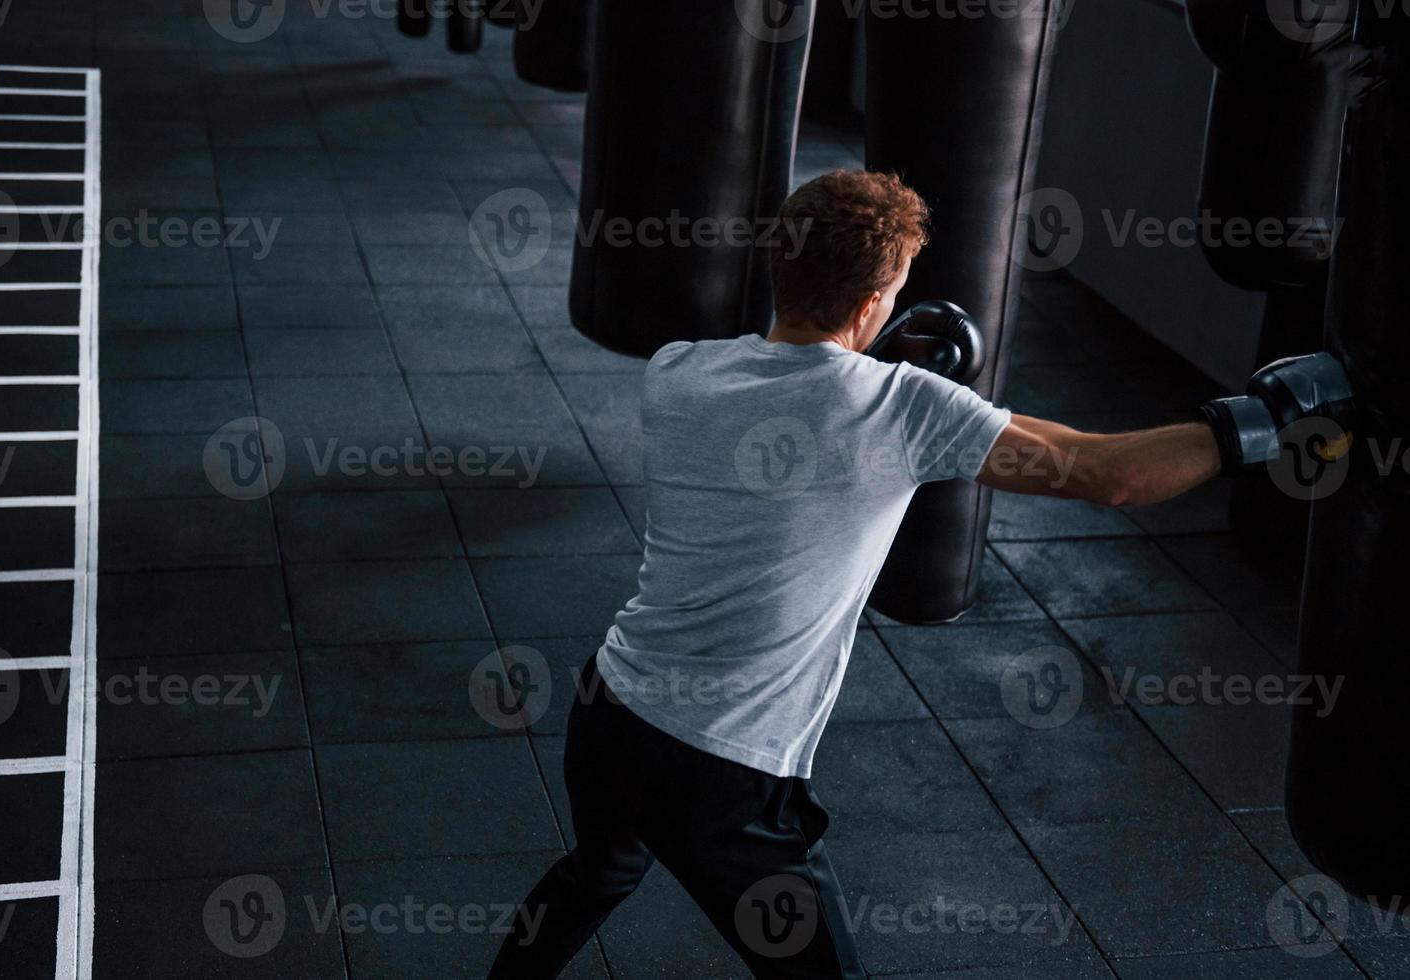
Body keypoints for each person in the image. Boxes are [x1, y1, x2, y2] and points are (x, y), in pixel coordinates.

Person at [488, 169, 1348, 978]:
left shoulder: (679, 370)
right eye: (892, 293)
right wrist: (1266, 417)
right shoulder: (902, 410)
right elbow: (1106, 473)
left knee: (594, 878)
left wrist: (879, 365)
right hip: (724, 766)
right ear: (873, 301)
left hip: (614, 707)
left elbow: (834, 400)